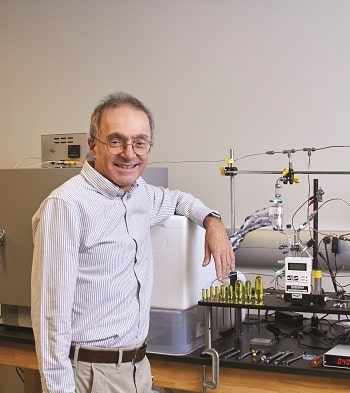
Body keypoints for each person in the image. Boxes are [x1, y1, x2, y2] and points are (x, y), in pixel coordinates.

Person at [31, 92, 235, 393]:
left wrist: (212, 221)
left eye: (140, 142)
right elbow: (50, 318)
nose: (129, 153)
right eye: (116, 141)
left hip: (137, 368)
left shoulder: (139, 194)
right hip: (90, 375)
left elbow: (180, 200)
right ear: (93, 146)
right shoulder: (66, 206)